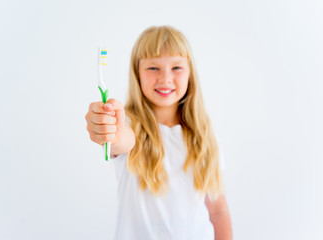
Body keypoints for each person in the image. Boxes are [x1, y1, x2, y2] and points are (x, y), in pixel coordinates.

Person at [85, 25, 233, 240]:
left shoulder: (205, 137)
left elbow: (218, 210)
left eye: (176, 68)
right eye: (153, 68)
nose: (165, 78)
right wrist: (111, 130)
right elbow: (121, 139)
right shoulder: (129, 125)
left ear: (191, 73)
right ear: (137, 73)